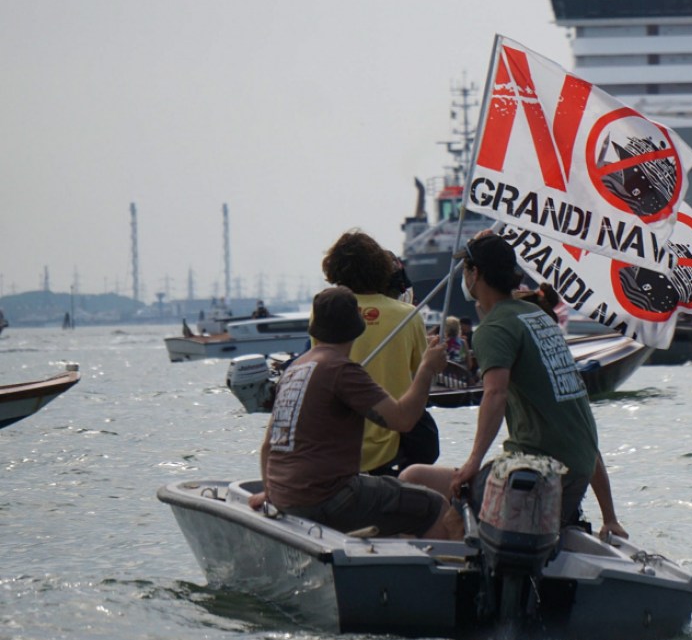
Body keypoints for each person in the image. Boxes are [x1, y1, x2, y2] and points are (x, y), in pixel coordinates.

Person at [400, 231, 628, 541]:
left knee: (413, 478)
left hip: (534, 476)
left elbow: (495, 394)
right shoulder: (539, 318)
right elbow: (581, 426)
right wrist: (609, 516)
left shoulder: (493, 329)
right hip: (574, 478)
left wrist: (472, 463)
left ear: (475, 273)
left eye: (465, 269)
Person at [249, 286, 456, 539]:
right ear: (357, 326)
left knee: (400, 494)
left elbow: (267, 447)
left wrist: (271, 493)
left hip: (284, 496)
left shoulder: (294, 370)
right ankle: (444, 574)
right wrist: (426, 368)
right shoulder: (341, 370)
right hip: (329, 498)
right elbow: (403, 419)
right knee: (433, 506)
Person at [321, 229, 435, 476]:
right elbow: (422, 379)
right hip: (394, 443)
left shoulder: (325, 311)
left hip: (337, 446)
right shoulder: (408, 316)